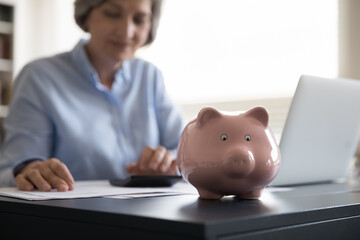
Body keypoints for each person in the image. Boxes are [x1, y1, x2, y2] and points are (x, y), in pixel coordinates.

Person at [0, 0, 184, 191]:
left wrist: (168, 162)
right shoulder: (39, 77)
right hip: (73, 216)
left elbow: (186, 151)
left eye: (139, 20)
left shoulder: (149, 76)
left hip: (151, 213)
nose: (126, 31)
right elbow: (12, 167)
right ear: (86, 14)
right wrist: (30, 169)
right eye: (112, 14)